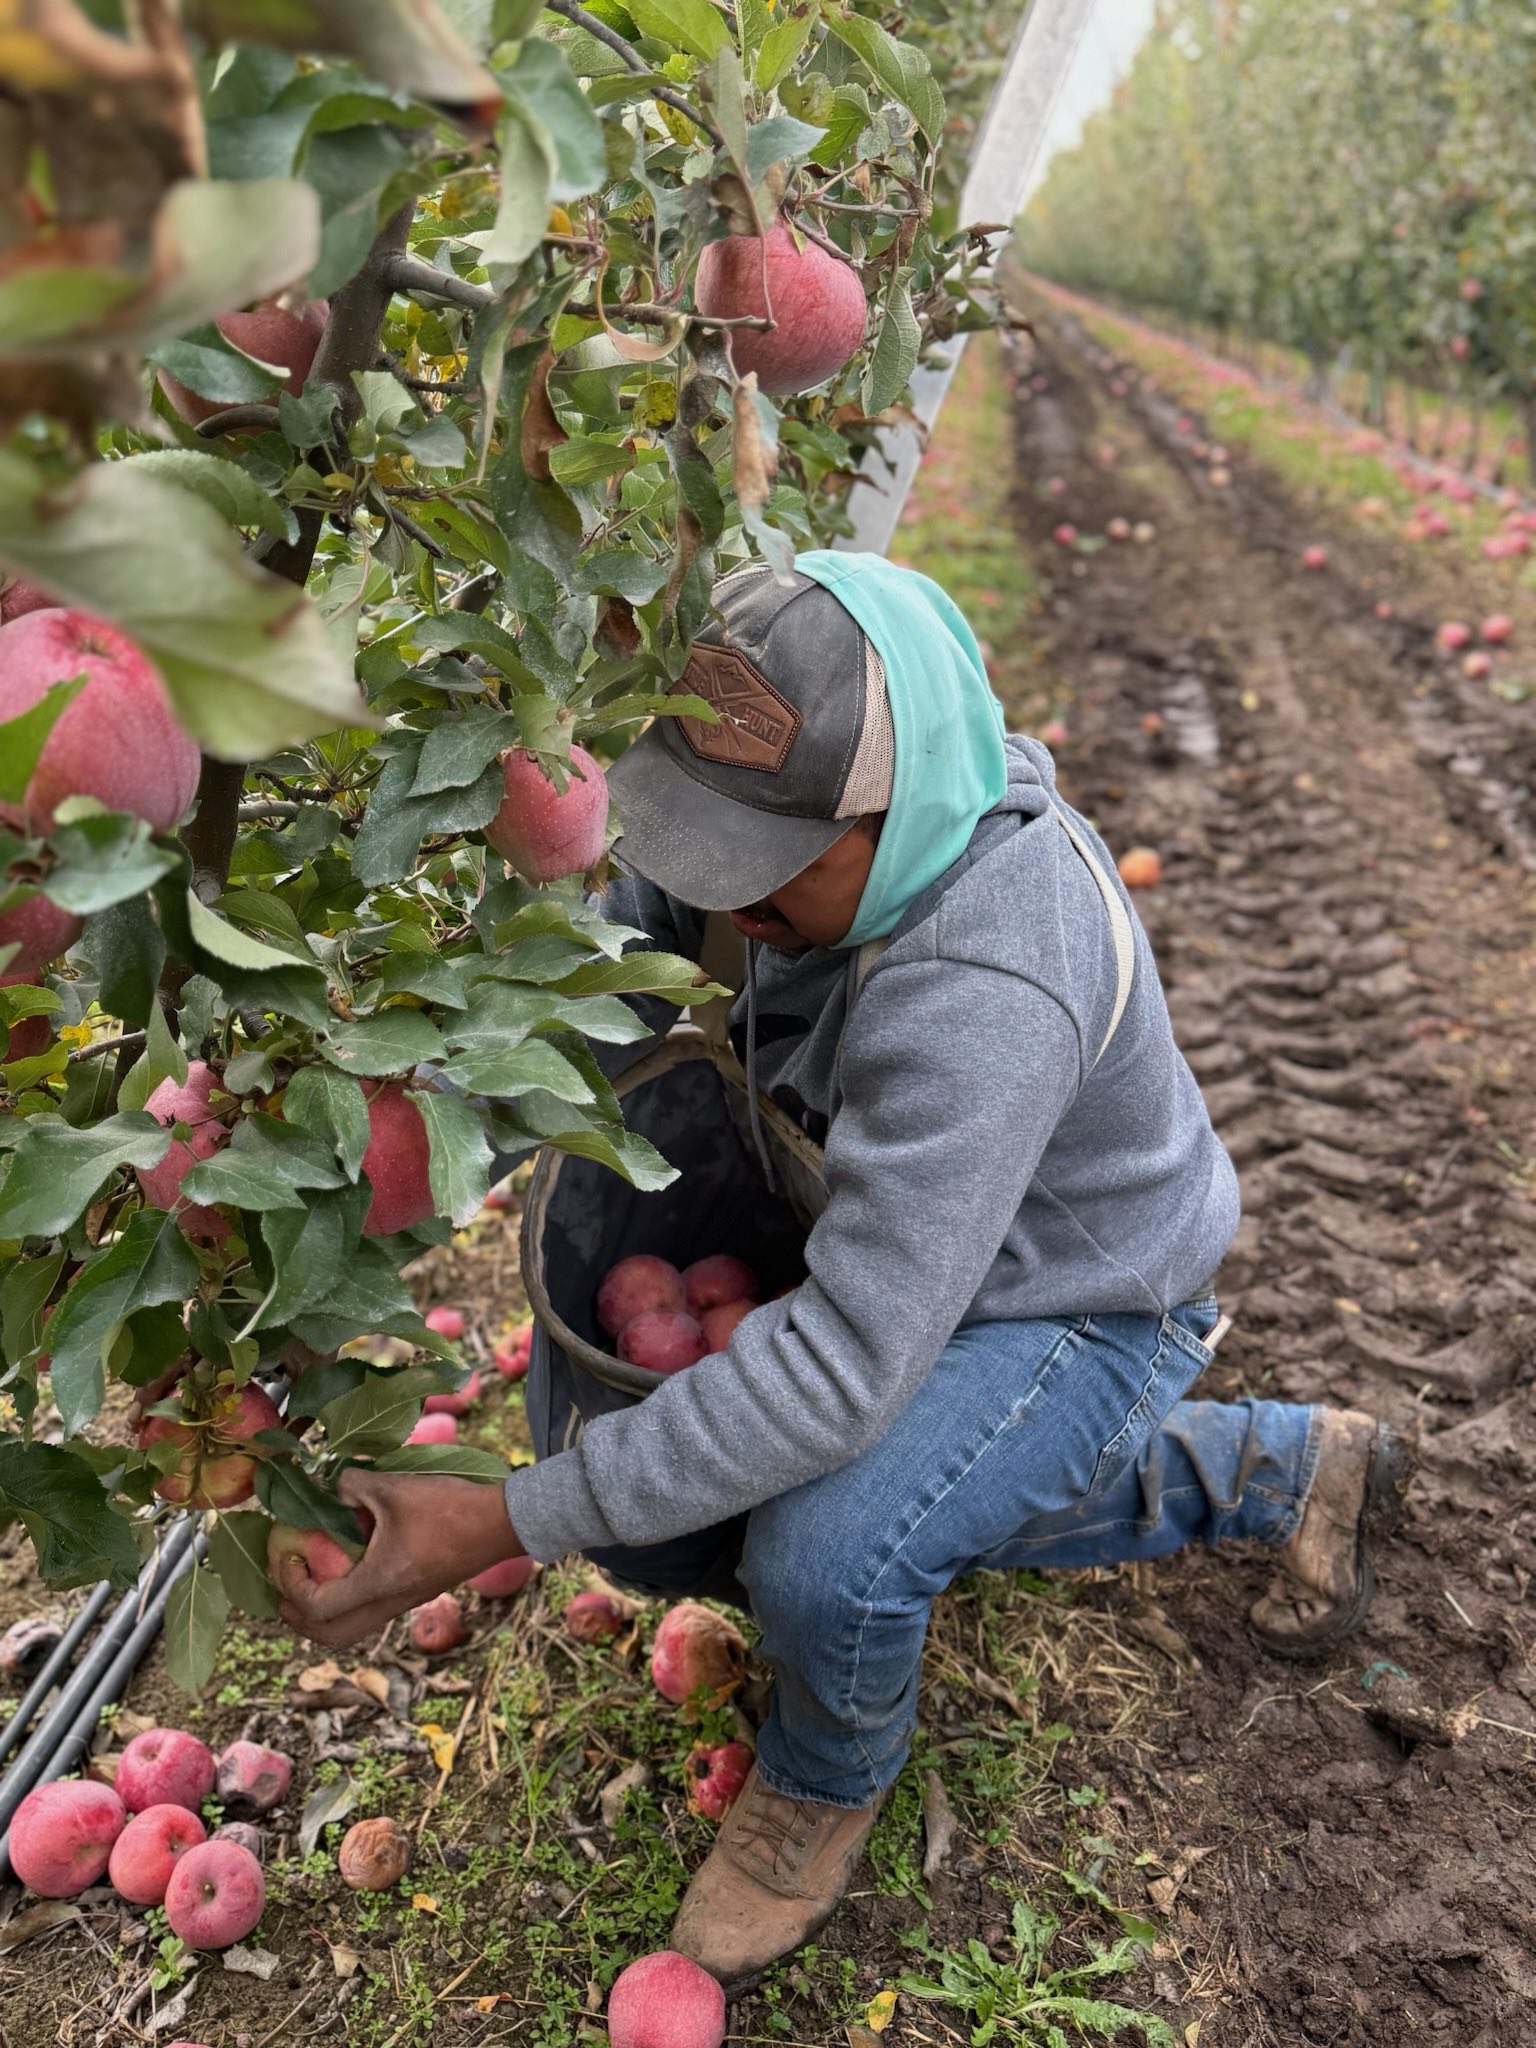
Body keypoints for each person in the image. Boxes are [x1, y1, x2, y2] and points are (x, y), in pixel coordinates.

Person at [278, 553, 1413, 1989]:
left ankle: (821, 1777)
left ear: (906, 804)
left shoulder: (990, 984)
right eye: (700, 850)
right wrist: (355, 1183)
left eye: (762, 873)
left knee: (830, 1552)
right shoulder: (793, 858)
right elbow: (576, 1025)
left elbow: (841, 1369)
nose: (723, 903)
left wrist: (502, 1515)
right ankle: (1283, 1469)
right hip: (908, 1239)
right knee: (793, 1494)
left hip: (1073, 1296)